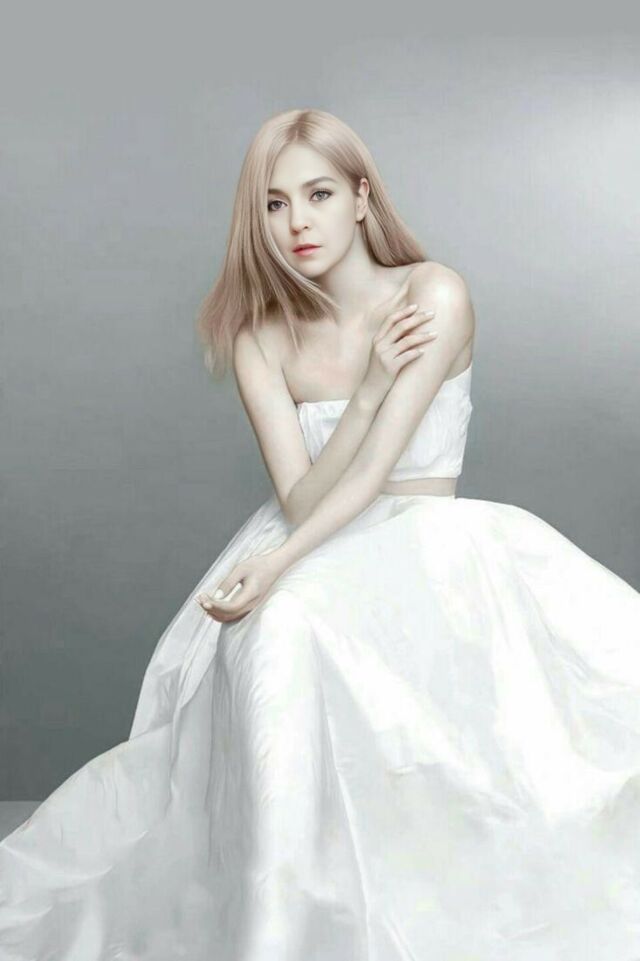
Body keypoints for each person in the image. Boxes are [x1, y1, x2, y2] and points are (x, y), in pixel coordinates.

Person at [1, 107, 639, 961]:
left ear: (362, 198)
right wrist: (364, 394)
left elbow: (375, 474)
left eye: (319, 194)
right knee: (282, 635)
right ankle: (277, 919)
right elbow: (302, 499)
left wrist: (278, 564)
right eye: (274, 203)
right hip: (312, 541)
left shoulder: (433, 294)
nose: (297, 221)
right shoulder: (259, 337)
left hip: (427, 545)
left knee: (300, 621)